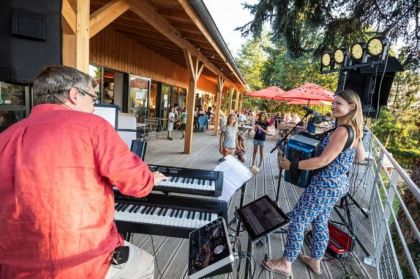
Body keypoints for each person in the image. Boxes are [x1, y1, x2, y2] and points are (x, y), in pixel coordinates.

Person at [0, 65, 167, 279]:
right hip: (82, 264)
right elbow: (137, 184)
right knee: (146, 263)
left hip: (13, 267)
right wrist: (151, 177)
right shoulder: (93, 127)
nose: (94, 106)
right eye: (93, 98)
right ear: (74, 95)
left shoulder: (6, 137)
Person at [262, 90, 366, 277]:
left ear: (352, 106)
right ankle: (316, 260)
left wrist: (291, 165)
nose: (333, 106)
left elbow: (322, 161)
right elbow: (361, 157)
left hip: (325, 185)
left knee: (298, 219)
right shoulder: (354, 129)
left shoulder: (342, 130)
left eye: (338, 103)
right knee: (320, 221)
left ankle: (286, 262)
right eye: (333, 103)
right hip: (338, 184)